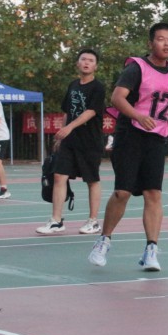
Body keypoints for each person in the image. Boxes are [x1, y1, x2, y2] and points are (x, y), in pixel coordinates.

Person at [87, 23, 168, 271]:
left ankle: (151, 249)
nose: (166, 43)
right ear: (150, 43)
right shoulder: (136, 68)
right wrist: (138, 116)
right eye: (161, 39)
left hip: (156, 138)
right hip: (130, 135)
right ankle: (104, 241)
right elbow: (117, 98)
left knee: (153, 193)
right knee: (122, 192)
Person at [36, 49, 105, 235]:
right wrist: (62, 132)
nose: (87, 62)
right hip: (70, 141)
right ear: (77, 63)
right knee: (59, 176)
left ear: (96, 66)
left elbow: (90, 112)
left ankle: (93, 221)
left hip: (90, 141)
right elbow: (67, 111)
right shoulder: (73, 85)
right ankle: (56, 221)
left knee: (92, 180)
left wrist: (70, 128)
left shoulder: (98, 87)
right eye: (83, 59)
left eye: (91, 60)